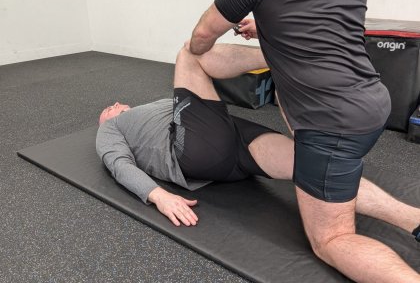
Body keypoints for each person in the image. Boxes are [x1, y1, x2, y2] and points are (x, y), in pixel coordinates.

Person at [186, 0, 420, 282]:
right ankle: (415, 220)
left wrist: (193, 50)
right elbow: (322, 22)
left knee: (331, 239)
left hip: (333, 119)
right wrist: (264, 24)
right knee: (331, 176)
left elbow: (203, 34)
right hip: (373, 100)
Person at [96, 41, 420, 253]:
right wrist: (158, 196)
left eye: (114, 105)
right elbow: (118, 164)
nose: (111, 106)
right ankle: (279, 53)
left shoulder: (157, 104)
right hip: (192, 149)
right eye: (106, 109)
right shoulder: (110, 129)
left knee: (317, 167)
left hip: (232, 139)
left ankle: (413, 220)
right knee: (189, 54)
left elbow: (198, 104)